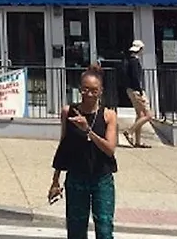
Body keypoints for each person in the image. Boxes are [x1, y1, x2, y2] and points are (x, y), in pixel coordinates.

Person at [49, 66, 118, 239]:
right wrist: (56, 180)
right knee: (76, 230)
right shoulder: (68, 112)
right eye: (85, 89)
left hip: (101, 178)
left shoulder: (108, 115)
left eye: (94, 90)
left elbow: (110, 149)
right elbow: (64, 146)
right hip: (76, 177)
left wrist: (88, 130)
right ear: (80, 89)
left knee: (104, 229)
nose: (89, 94)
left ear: (101, 91)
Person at [122, 40, 154, 149]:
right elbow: (135, 77)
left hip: (130, 90)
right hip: (135, 90)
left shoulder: (128, 60)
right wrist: (140, 91)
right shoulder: (134, 62)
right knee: (149, 115)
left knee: (139, 115)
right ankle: (130, 131)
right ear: (140, 49)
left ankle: (138, 142)